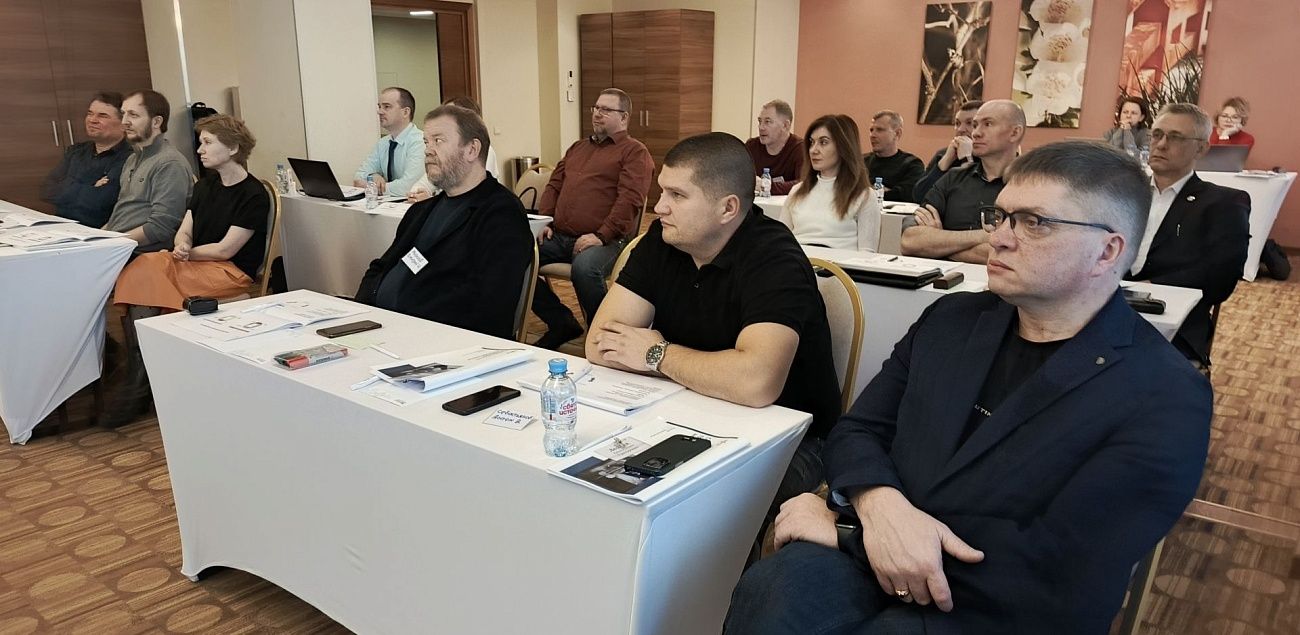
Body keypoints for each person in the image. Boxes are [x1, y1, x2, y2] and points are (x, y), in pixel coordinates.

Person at [725, 141, 1211, 634]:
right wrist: (878, 503)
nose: (999, 238)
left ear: (1107, 251)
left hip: (999, 604)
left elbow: (1059, 571)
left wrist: (850, 532)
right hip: (877, 541)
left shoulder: (1166, 395)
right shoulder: (952, 318)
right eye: (1001, 217)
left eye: (1034, 222)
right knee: (773, 591)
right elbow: (858, 430)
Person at [587, 132, 841, 559]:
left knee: (697, 519)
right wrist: (706, 370)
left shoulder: (774, 257)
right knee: (602, 485)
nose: (659, 206)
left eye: (677, 195)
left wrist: (656, 354)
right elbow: (601, 343)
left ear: (728, 208)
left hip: (792, 438)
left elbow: (756, 382)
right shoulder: (663, 240)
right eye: (662, 191)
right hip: (686, 413)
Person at [104, 114, 268, 426]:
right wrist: (182, 244)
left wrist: (186, 252)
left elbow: (225, 250)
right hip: (194, 262)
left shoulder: (253, 194)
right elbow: (185, 228)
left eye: (207, 143)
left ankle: (139, 379)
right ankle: (142, 376)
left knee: (150, 278)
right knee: (145, 266)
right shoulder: (206, 185)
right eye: (201, 143)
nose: (200, 150)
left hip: (227, 270)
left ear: (233, 148)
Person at [355, 105, 533, 340]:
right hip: (383, 326)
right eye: (426, 142)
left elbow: (490, 302)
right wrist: (360, 314)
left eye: (438, 141)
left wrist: (405, 322)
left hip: (438, 338)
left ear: (472, 149)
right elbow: (381, 267)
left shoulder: (501, 214)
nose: (428, 151)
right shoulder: (421, 211)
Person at [1128, 103, 1251, 368]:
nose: (1161, 144)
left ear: (1201, 149)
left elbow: (1220, 278)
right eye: (1157, 134)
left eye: (1175, 137)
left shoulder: (1222, 203)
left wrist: (1149, 288)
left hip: (1175, 323)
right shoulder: (1124, 194)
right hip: (1106, 309)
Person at [531, 88, 653, 350]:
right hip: (560, 235)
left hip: (609, 240)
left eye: (606, 110)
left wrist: (600, 235)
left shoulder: (634, 152)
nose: (597, 113)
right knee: (516, 254)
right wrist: (545, 221)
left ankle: (605, 337)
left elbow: (630, 199)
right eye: (596, 108)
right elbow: (554, 185)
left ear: (624, 117)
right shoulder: (578, 148)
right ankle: (561, 322)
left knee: (585, 268)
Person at [901, 100, 1024, 264]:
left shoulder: (1031, 185)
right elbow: (910, 241)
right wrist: (983, 236)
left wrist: (940, 244)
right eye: (975, 125)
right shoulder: (953, 177)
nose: (976, 133)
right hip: (945, 277)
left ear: (1014, 133)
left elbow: (1019, 254)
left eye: (988, 124)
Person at [102, 89, 194, 253]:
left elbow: (160, 227)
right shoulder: (132, 159)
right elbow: (122, 213)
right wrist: (97, 238)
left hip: (140, 254)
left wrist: (112, 243)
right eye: (123, 114)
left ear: (156, 122)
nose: (124, 122)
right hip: (119, 247)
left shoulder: (169, 163)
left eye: (133, 115)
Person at [778, 114, 880, 251]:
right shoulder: (797, 191)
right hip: (798, 261)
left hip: (839, 264)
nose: (813, 150)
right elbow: (779, 241)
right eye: (812, 142)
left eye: (823, 142)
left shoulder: (864, 196)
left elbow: (867, 253)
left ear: (843, 147)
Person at [40, 92, 131, 227]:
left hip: (98, 230)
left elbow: (101, 201)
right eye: (90, 113)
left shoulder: (129, 157)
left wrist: (69, 184)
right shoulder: (76, 151)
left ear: (123, 124)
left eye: (102, 116)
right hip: (61, 226)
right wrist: (90, 185)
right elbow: (47, 190)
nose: (92, 120)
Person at [406, 95, 501, 201]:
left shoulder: (484, 151)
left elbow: (475, 192)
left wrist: (430, 200)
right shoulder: (442, 157)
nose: (427, 150)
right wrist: (419, 194)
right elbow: (423, 184)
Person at [352, 87, 426, 196]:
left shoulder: (420, 141)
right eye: (379, 107)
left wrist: (373, 188)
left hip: (413, 204)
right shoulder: (383, 143)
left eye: (387, 107)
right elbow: (358, 177)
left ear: (405, 112)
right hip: (388, 204)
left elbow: (409, 186)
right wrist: (373, 176)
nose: (379, 112)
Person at [912, 100, 982, 202]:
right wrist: (945, 161)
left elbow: (970, 199)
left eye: (969, 123)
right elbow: (919, 196)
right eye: (957, 123)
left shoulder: (988, 157)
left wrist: (966, 159)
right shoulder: (943, 154)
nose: (960, 129)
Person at [863, 110, 924, 203]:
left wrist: (869, 191)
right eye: (871, 130)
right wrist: (884, 191)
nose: (872, 135)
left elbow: (907, 195)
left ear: (897, 133)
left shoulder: (912, 164)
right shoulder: (860, 162)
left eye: (879, 130)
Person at [746, 99, 804, 195]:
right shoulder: (752, 146)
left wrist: (766, 186)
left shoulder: (800, 148)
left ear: (785, 125)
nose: (761, 127)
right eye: (760, 121)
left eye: (767, 122)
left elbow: (803, 184)